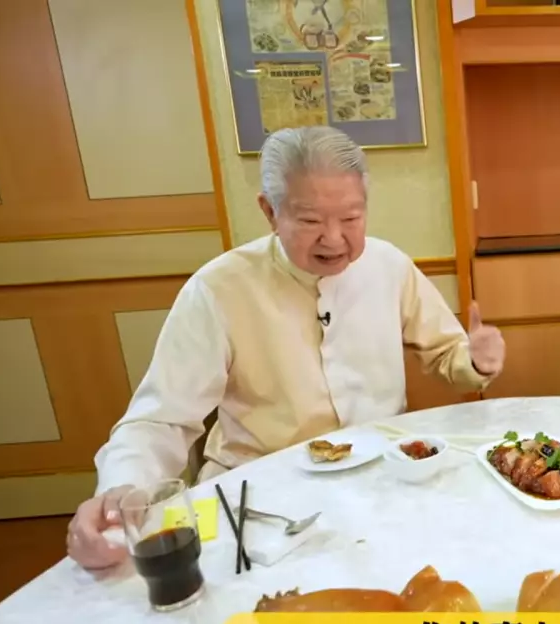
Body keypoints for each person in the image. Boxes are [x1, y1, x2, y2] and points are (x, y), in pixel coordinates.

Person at [67, 126, 506, 570]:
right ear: (270, 211)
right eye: (311, 221)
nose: (333, 238)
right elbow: (161, 418)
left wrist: (474, 360)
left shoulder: (388, 266)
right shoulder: (219, 288)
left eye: (351, 218)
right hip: (261, 497)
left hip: (380, 482)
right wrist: (121, 488)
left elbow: (449, 355)